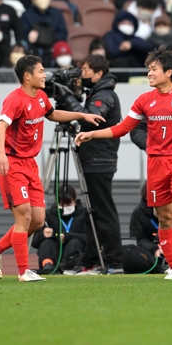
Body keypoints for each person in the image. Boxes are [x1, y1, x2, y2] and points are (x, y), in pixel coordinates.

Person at [75, 48, 172, 280]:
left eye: (153, 69)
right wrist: (93, 134)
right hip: (155, 165)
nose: (149, 73)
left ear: (168, 72)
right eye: (148, 69)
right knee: (164, 218)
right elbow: (123, 128)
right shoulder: (144, 100)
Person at [0, 55, 105, 282]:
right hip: (13, 163)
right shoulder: (14, 99)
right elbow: (0, 127)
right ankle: (23, 272)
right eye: (40, 71)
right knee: (24, 218)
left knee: (38, 220)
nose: (44, 75)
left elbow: (52, 114)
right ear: (27, 76)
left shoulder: (40, 96)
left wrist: (81, 114)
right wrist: (1, 154)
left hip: (31, 164)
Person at [56, 55, 124, 274]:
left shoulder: (104, 95)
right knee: (92, 211)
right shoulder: (97, 93)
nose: (81, 74)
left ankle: (114, 262)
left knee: (103, 211)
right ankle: (91, 260)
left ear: (98, 73)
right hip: (94, 158)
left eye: (84, 70)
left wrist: (68, 100)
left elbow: (92, 117)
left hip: (100, 160)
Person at [30, 185, 87, 274]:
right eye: (61, 204)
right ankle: (47, 264)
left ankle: (69, 266)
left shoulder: (84, 214)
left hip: (74, 257)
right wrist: (42, 234)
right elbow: (34, 242)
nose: (65, 207)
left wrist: (68, 236)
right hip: (54, 254)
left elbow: (89, 238)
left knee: (75, 242)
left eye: (68, 204)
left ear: (74, 200)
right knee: (47, 242)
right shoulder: (48, 214)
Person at [21, 0, 68, 64]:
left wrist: (43, 36)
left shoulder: (57, 14)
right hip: (33, 48)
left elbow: (62, 33)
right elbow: (23, 34)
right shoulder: (27, 14)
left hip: (52, 47)